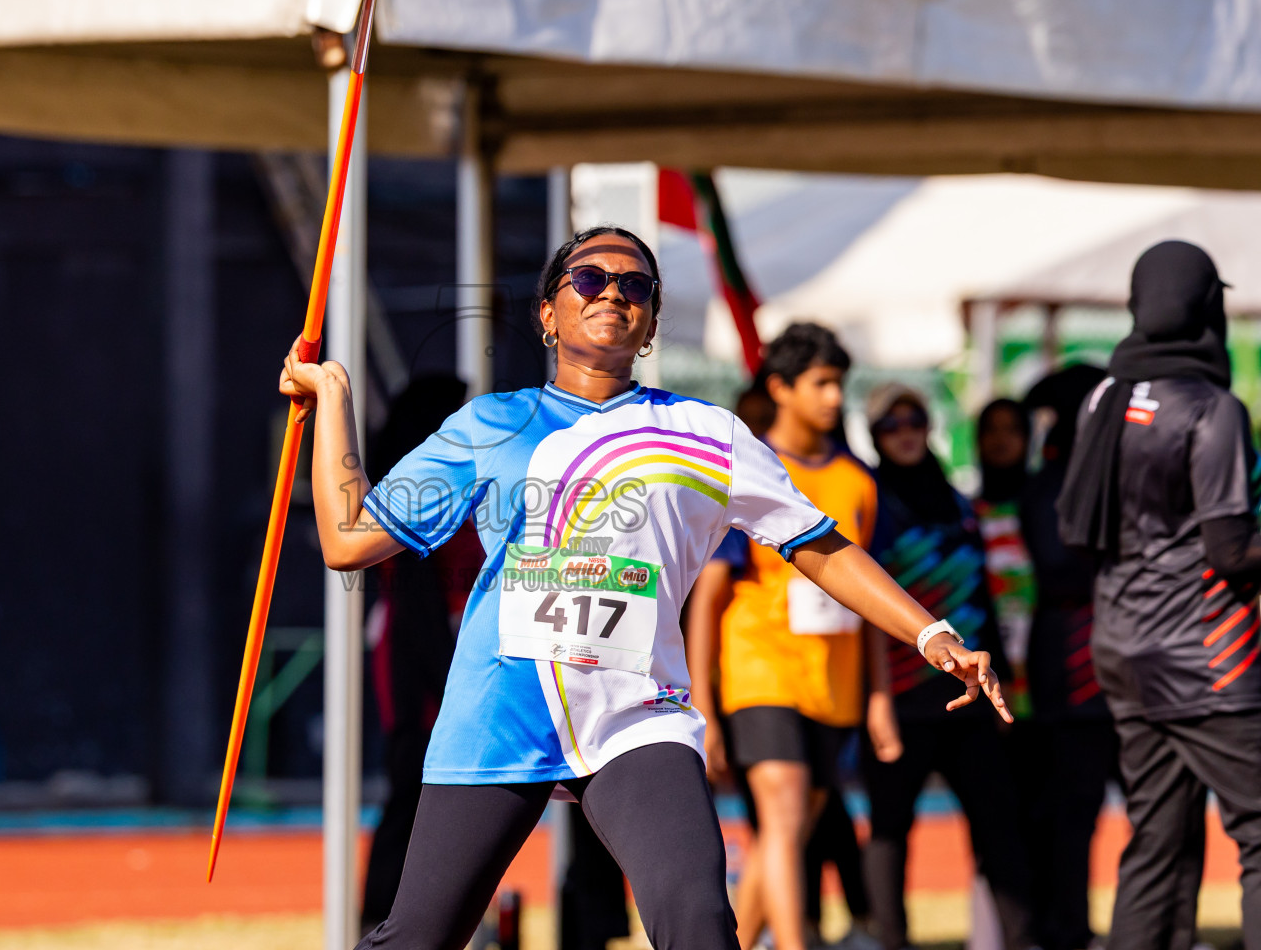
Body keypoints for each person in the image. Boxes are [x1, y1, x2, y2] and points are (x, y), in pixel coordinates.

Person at [279, 225, 1011, 950]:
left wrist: (931, 631)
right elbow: (348, 541)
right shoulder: (491, 424)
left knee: (698, 923)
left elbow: (817, 544)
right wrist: (332, 393)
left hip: (637, 718)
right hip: (498, 713)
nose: (614, 294)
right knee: (417, 938)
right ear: (547, 313)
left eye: (636, 286)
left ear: (653, 322)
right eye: (590, 280)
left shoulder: (707, 434)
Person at [1057, 240, 1261, 950]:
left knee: (1158, 838)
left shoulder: (1104, 396)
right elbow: (1232, 552)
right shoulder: (1212, 407)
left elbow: (1080, 524)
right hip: (1205, 654)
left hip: (1120, 648)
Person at [686, 322, 879, 950]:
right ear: (781, 388)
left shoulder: (857, 482)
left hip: (833, 682)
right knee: (785, 814)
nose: (833, 398)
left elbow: (868, 591)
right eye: (820, 384)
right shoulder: (746, 472)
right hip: (760, 671)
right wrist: (703, 706)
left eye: (838, 385)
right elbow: (709, 600)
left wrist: (878, 700)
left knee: (785, 833)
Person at [860, 383, 1034, 950]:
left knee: (1000, 831)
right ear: (876, 436)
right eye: (891, 425)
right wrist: (878, 699)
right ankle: (892, 942)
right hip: (902, 699)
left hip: (971, 700)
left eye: (914, 420)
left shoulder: (957, 500)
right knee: (889, 833)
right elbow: (862, 610)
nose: (905, 432)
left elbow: (980, 594)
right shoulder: (869, 500)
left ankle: (1018, 940)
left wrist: (1001, 682)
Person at [361, 375, 481, 933]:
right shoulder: (420, 487)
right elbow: (415, 602)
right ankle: (386, 921)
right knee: (412, 792)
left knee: (422, 797)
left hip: (439, 654)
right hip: (422, 661)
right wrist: (445, 678)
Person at [1014, 364, 1119, 950]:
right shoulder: (1055, 483)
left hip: (1105, 669)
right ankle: (1066, 930)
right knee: (1070, 812)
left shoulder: (1090, 476)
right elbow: (1058, 571)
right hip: (1074, 672)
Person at [974, 398, 1036, 716]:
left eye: (1012, 429)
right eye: (992, 430)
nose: (1002, 439)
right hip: (986, 656)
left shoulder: (1048, 508)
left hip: (1043, 663)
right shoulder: (965, 513)